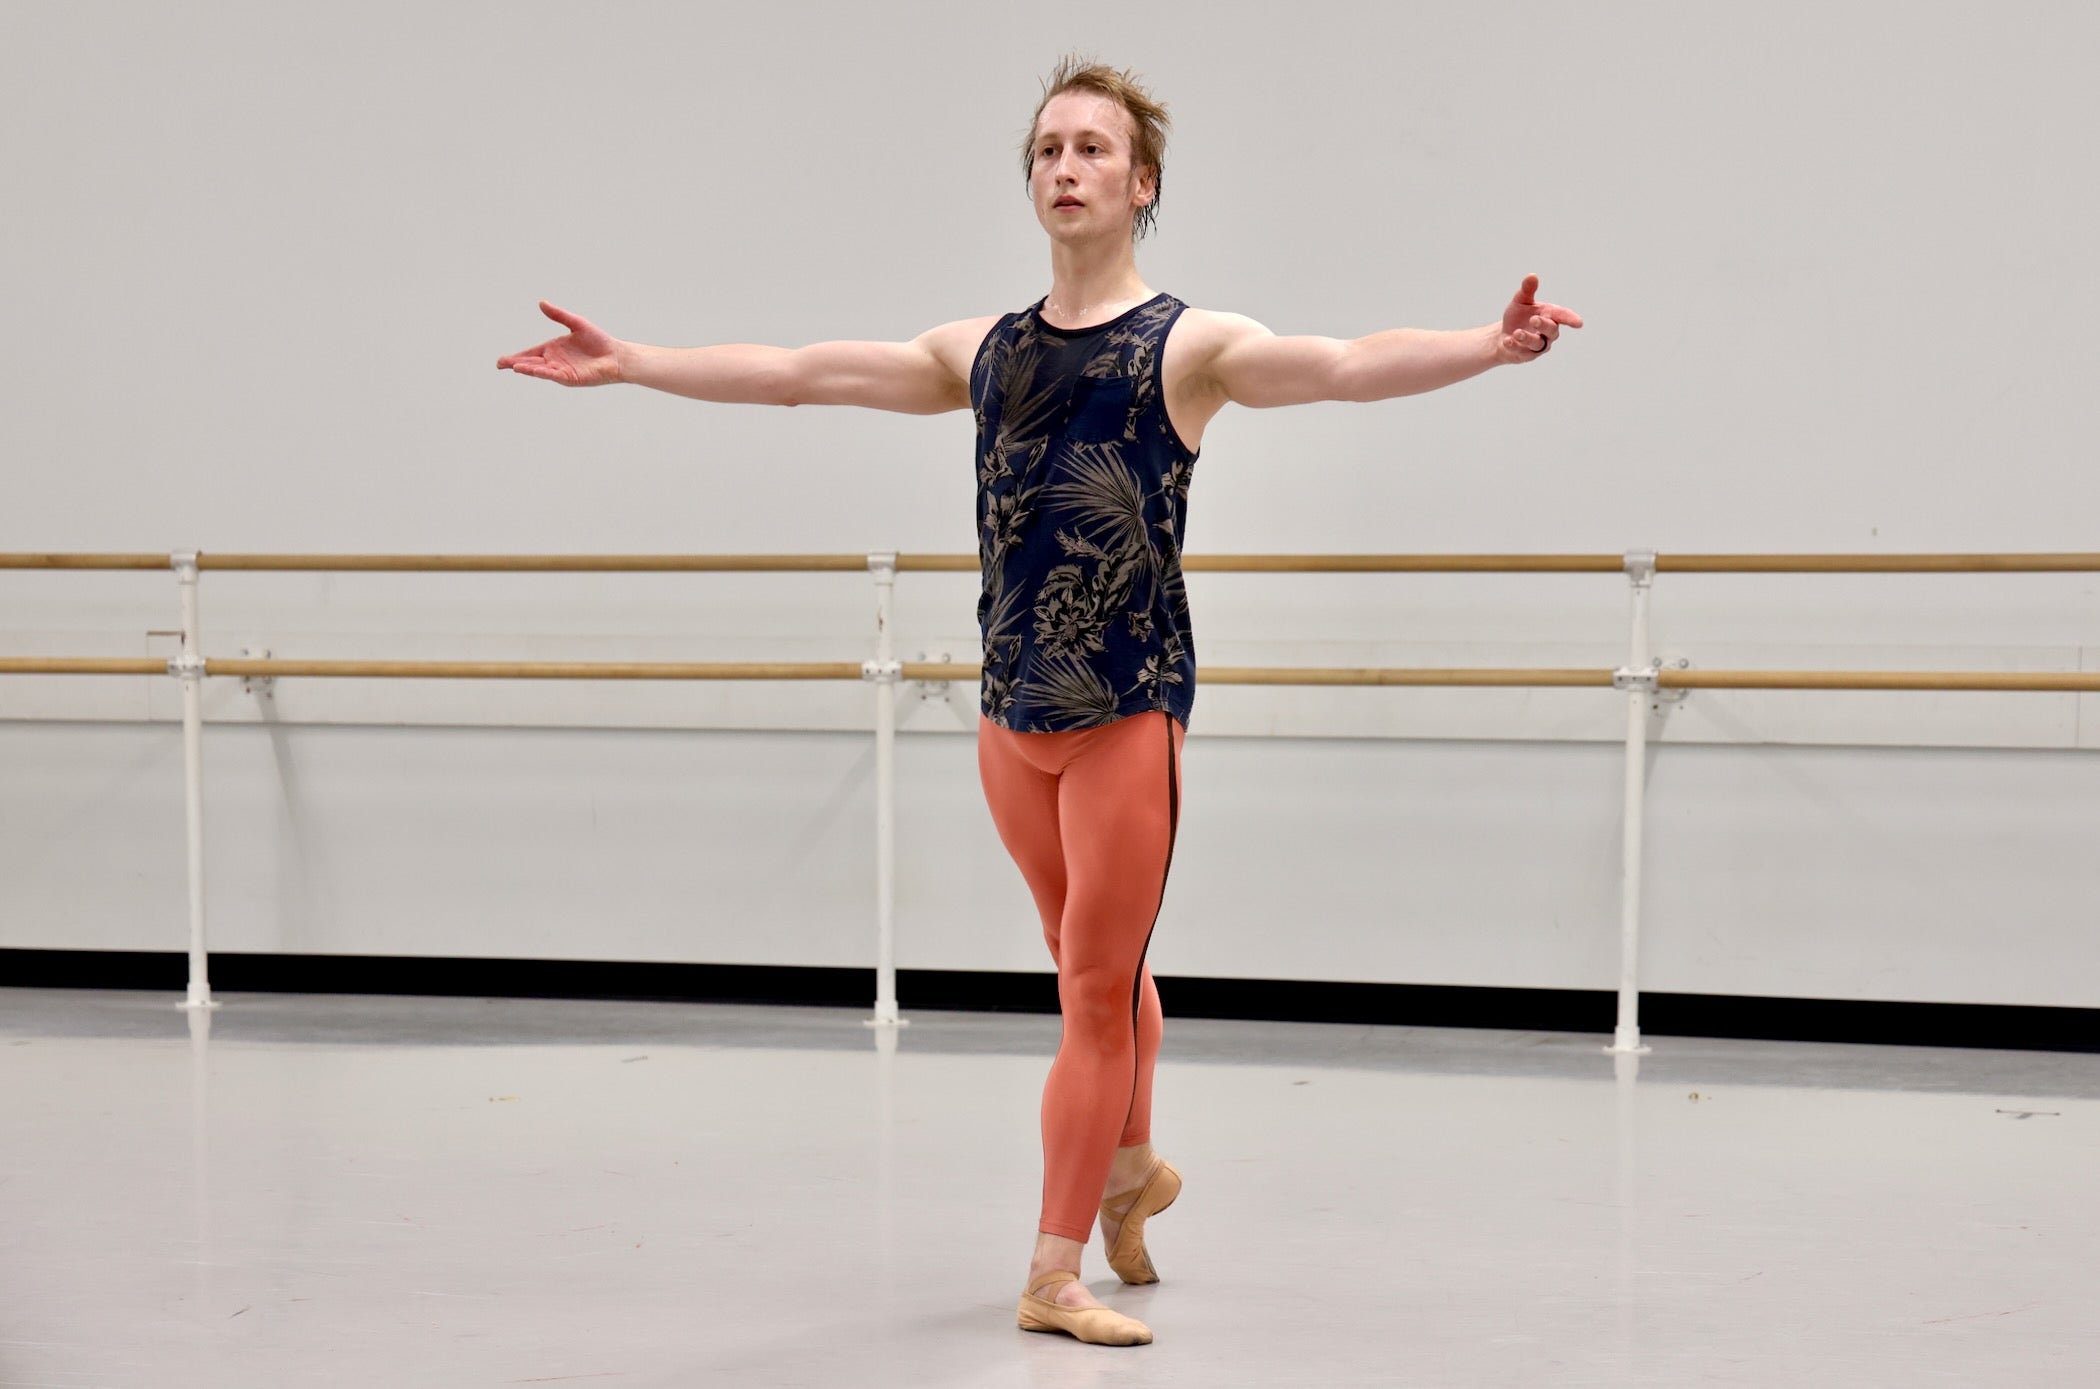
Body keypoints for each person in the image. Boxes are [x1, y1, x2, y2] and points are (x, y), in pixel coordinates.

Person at [498, 55, 1582, 1348]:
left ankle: (1053, 1267)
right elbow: (801, 372)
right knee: (1103, 977)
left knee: (1089, 985)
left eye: (1093, 149)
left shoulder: (1188, 348)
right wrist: (631, 364)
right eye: (1049, 149)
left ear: (1143, 183)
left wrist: (1487, 343)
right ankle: (1131, 1177)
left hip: (1127, 714)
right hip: (1011, 721)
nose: (1067, 166)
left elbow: (1344, 364)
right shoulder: (987, 353)